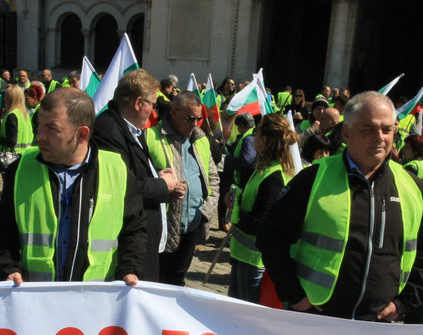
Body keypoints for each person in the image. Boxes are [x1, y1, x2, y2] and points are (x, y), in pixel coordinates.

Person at [257, 91, 423, 321]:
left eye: (387, 129)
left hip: (378, 325)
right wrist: (295, 296)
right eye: (369, 129)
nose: (380, 137)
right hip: (316, 319)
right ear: (346, 133)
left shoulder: (413, 187)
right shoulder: (314, 178)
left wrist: (404, 302)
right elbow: (271, 236)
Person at [0, 87, 146, 284]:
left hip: (95, 301)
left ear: (81, 134)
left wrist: (129, 269)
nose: (40, 136)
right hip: (34, 300)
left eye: (51, 129)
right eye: (39, 126)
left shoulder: (118, 170)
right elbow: (3, 228)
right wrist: (8, 268)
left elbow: (134, 229)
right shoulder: (20, 169)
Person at [92, 69, 184, 282]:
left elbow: (133, 171)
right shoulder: (108, 130)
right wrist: (163, 186)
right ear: (137, 103)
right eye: (151, 104)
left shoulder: (131, 128)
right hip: (127, 244)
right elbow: (120, 185)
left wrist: (156, 174)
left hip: (144, 240)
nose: (153, 111)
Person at [145, 91, 220, 286]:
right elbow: (140, 182)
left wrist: (205, 212)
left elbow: (213, 180)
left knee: (177, 281)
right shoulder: (151, 137)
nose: (195, 123)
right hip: (163, 227)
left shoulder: (201, 140)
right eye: (190, 118)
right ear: (174, 111)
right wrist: (164, 187)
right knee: (157, 282)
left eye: (198, 118)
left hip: (192, 224)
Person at [227, 114, 297, 303]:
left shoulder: (274, 177)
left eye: (257, 132)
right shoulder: (263, 168)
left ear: (264, 139)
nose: (253, 135)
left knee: (246, 320)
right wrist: (237, 196)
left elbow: (258, 224)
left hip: (255, 261)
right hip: (244, 256)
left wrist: (234, 211)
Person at [0, 84, 34, 154]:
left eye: (6, 96)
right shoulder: (24, 114)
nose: (4, 98)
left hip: (11, 156)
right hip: (24, 154)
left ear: (10, 98)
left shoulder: (12, 116)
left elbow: (12, 141)